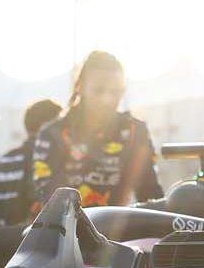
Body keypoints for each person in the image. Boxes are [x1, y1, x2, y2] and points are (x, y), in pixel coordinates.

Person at [30, 51, 160, 210]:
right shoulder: (53, 134)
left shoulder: (135, 131)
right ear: (80, 87)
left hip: (119, 231)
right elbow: (47, 198)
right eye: (99, 90)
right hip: (67, 231)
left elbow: (151, 194)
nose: (108, 99)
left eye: (116, 92)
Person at [0, 98, 63, 227]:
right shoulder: (44, 160)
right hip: (28, 243)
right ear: (47, 127)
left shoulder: (2, 162)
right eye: (60, 126)